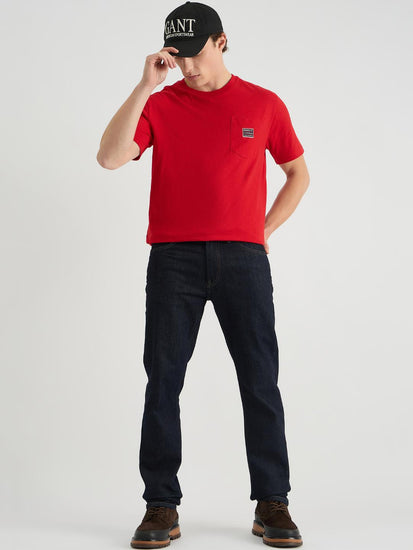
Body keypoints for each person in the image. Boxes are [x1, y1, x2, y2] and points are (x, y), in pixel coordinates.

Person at [97, 2, 309, 548]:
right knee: (163, 382)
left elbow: (297, 174)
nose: (187, 67)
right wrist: (145, 85)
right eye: (178, 56)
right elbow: (110, 157)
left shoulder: (263, 104)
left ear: (221, 41)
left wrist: (263, 229)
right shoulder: (160, 104)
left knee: (259, 380)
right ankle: (160, 505)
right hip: (174, 260)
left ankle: (273, 501)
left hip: (244, 259)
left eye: (195, 53)